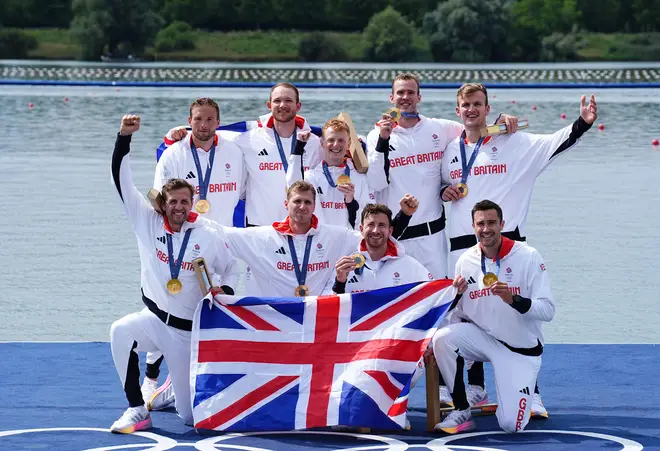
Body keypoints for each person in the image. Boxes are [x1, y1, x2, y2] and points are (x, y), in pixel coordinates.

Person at [440, 83, 598, 416]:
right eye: (465, 105)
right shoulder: (451, 149)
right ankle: (476, 389)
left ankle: (533, 392)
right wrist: (444, 190)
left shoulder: (514, 141)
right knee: (466, 314)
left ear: (487, 108)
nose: (471, 110)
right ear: (458, 111)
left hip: (507, 245)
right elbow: (441, 186)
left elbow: (554, 144)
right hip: (462, 248)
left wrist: (581, 123)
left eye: (478, 104)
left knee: (518, 315)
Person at [109, 114, 238, 433]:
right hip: (153, 321)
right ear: (162, 203)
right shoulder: (147, 221)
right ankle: (137, 408)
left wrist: (225, 291)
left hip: (186, 334)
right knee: (120, 330)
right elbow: (121, 180)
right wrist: (124, 137)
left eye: (184, 202)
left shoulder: (208, 233)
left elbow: (232, 268)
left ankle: (170, 391)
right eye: (172, 202)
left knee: (191, 419)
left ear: (192, 202)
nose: (178, 207)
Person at [143, 98, 246, 410]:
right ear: (190, 120)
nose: (204, 125)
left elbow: (241, 192)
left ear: (218, 122)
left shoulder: (234, 151)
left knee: (213, 311)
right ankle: (150, 377)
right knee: (167, 308)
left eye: (210, 119)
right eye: (198, 119)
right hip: (180, 241)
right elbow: (159, 200)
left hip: (218, 242)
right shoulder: (173, 154)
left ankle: (190, 381)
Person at [366, 73, 518, 280]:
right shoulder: (377, 135)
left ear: (419, 97)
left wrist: (501, 122)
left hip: (432, 238)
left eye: (411, 92)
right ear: (391, 98)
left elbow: (475, 129)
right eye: (400, 92)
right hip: (395, 237)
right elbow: (375, 182)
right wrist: (383, 140)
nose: (405, 97)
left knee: (437, 299)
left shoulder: (439, 128)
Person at [430, 200, 554, 434]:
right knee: (442, 338)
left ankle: (519, 395)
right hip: (485, 342)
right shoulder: (465, 261)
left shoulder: (528, 256)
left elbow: (548, 311)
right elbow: (459, 315)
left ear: (502, 224)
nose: (486, 229)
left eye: (491, 223)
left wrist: (514, 300)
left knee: (511, 426)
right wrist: (454, 297)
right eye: (480, 224)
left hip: (520, 351)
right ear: (473, 226)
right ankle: (462, 409)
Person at [326, 201, 430, 294]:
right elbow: (333, 307)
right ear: (361, 229)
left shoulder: (409, 266)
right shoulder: (346, 267)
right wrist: (339, 282)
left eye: (381, 225)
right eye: (371, 224)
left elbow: (434, 294)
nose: (375, 230)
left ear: (390, 230)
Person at [286, 118, 372, 230]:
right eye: (331, 140)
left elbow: (366, 218)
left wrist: (351, 202)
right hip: (319, 241)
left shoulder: (360, 178)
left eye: (341, 140)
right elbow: (292, 188)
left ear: (348, 144)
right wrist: (299, 146)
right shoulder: (310, 177)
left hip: (349, 241)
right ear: (322, 143)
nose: (336, 145)